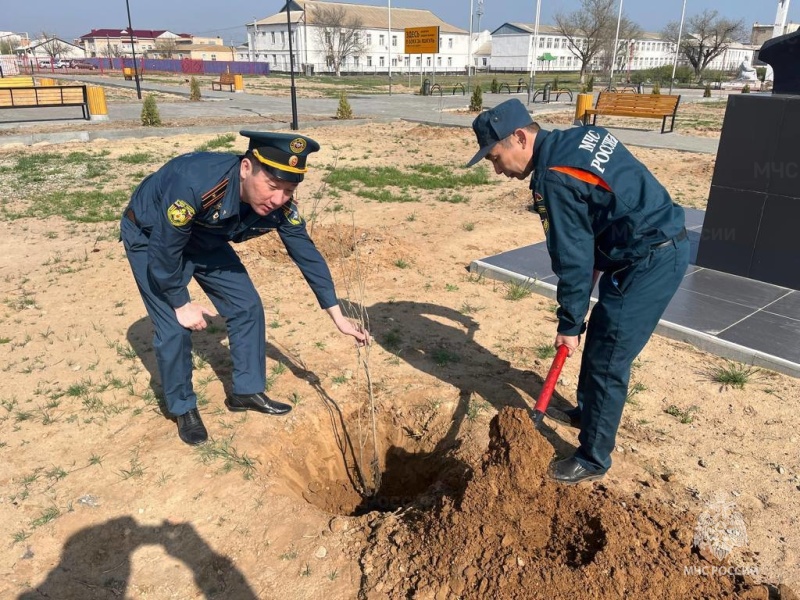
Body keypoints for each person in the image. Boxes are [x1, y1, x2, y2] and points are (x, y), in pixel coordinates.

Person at [467, 99, 689, 484]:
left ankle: (593, 457)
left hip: (650, 258)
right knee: (604, 335)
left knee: (608, 355)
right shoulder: (582, 136)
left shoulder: (553, 177)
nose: (498, 169)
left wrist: (570, 322)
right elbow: (605, 206)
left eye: (495, 157)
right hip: (643, 244)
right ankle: (588, 411)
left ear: (520, 137)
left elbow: (573, 258)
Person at [121, 130, 369, 446]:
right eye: (273, 186)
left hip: (205, 236)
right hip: (151, 233)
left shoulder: (281, 203)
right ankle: (184, 408)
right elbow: (165, 249)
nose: (279, 198)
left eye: (289, 190)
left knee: (246, 305)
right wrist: (181, 303)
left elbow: (304, 250)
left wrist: (338, 315)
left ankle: (246, 391)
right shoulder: (193, 182)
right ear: (246, 168)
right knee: (173, 329)